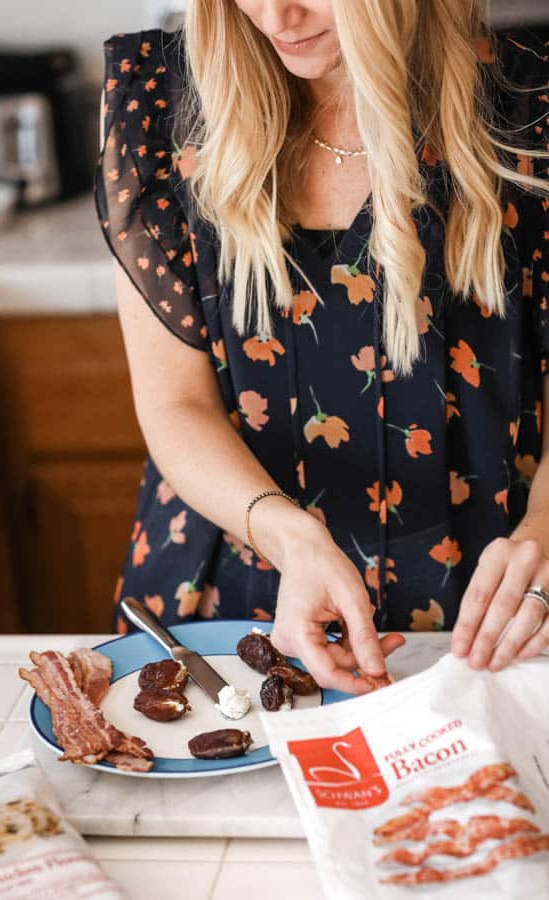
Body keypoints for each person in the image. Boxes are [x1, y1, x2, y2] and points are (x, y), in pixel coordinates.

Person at [93, 2, 549, 693]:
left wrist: (546, 528)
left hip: (495, 606)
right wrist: (288, 536)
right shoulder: (160, 104)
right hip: (233, 603)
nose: (277, 16)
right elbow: (174, 403)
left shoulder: (529, 99)